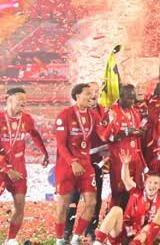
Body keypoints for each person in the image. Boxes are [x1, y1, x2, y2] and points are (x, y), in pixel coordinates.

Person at [0, 87, 48, 245]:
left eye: (25, 100)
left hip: (19, 168)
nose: (23, 103)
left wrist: (44, 151)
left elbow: (34, 133)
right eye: (20, 99)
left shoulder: (26, 119)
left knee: (20, 205)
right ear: (9, 100)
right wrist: (7, 169)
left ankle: (11, 239)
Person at [94, 150, 160, 245]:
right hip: (125, 234)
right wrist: (125, 164)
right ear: (145, 184)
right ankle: (97, 242)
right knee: (116, 210)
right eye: (150, 182)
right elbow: (125, 179)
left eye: (156, 183)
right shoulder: (137, 191)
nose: (152, 186)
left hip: (146, 239)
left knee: (148, 228)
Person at [54, 83, 100, 245]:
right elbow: (60, 145)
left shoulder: (93, 115)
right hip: (67, 166)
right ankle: (59, 239)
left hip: (86, 165)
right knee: (63, 205)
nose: (91, 97)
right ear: (77, 95)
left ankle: (76, 237)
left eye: (92, 94)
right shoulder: (64, 114)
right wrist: (72, 162)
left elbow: (103, 134)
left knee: (92, 203)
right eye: (87, 94)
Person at [96, 84, 146, 209]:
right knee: (119, 191)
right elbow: (104, 137)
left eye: (133, 98)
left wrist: (140, 132)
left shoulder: (134, 111)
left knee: (135, 190)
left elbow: (138, 130)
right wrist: (125, 133)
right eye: (129, 98)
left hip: (135, 157)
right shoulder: (111, 111)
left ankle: (131, 218)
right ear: (121, 97)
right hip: (119, 158)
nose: (132, 101)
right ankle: (115, 218)